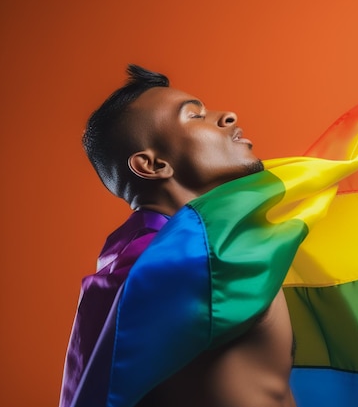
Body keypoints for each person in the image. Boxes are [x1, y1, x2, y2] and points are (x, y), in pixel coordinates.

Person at [61, 64, 297, 407]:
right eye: (195, 116)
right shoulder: (172, 268)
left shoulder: (148, 266)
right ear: (153, 165)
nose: (227, 116)